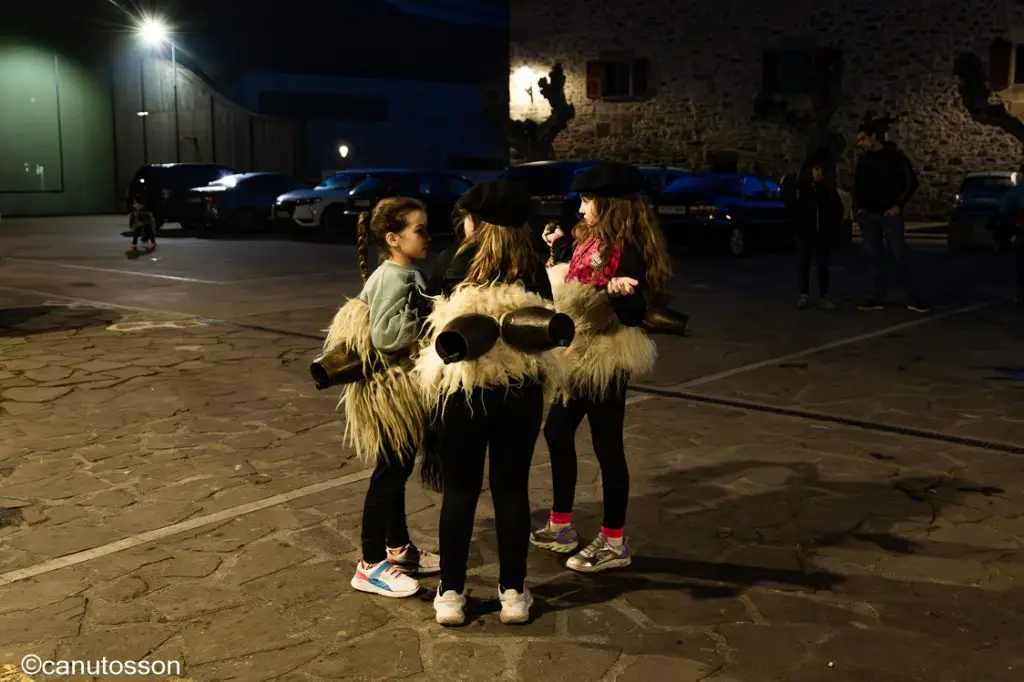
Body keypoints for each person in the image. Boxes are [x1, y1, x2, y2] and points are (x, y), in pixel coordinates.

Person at [416, 180, 562, 626]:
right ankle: (514, 594)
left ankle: (451, 594)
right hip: (519, 392)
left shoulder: (451, 263)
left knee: (460, 490)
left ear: (474, 221)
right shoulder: (533, 267)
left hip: (463, 391)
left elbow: (427, 329)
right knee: (511, 488)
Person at [531, 161, 672, 573]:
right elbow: (574, 282)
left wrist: (623, 294)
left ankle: (614, 540)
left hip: (605, 356)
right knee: (557, 431)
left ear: (610, 204)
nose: (581, 207)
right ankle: (561, 526)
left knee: (608, 446)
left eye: (589, 200)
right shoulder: (590, 238)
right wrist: (556, 249)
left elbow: (633, 310)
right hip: (577, 353)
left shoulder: (628, 249)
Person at [320, 197, 440, 599]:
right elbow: (387, 337)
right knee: (389, 475)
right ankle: (370, 564)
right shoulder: (395, 278)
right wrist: (428, 314)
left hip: (393, 389)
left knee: (397, 471)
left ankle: (399, 548)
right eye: (419, 230)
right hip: (391, 391)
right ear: (393, 238)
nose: (427, 235)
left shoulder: (398, 272)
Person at [852, 114, 928, 312]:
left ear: (874, 137)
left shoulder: (894, 157)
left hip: (889, 214)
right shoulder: (864, 160)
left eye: (863, 139)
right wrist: (858, 208)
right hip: (868, 214)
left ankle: (911, 296)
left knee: (899, 255)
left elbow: (911, 182)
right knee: (874, 256)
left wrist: (898, 205)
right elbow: (858, 184)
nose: (861, 143)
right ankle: (877, 295)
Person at [790, 160, 844, 309]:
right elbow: (793, 209)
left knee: (823, 265)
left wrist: (832, 227)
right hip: (804, 233)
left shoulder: (827, 190)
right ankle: (804, 295)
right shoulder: (801, 190)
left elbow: (837, 210)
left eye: (819, 169)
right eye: (815, 169)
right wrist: (798, 226)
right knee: (803, 265)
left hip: (823, 234)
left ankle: (824, 295)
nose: (818, 172)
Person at [995, 163, 1024, 303]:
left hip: (1021, 230)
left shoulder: (1017, 191)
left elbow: (1006, 210)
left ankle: (1021, 292)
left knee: (1021, 260)